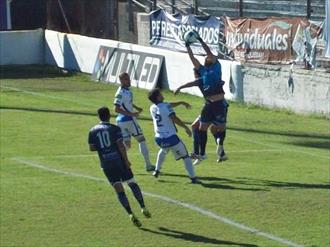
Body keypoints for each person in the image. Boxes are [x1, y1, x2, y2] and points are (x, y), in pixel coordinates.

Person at [88, 106, 151, 227]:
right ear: (109, 116)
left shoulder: (92, 130)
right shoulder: (114, 129)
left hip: (106, 164)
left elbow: (92, 148)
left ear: (99, 117)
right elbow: (121, 146)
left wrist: (103, 148)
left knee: (118, 188)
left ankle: (130, 214)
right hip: (119, 161)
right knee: (132, 183)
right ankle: (143, 207)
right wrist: (126, 160)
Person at [175, 32, 228, 163]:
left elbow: (208, 52)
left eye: (210, 56)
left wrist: (200, 39)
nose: (208, 57)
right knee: (204, 128)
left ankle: (211, 150)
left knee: (213, 128)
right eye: (206, 57)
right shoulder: (203, 71)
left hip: (217, 103)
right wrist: (187, 46)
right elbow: (192, 59)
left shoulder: (217, 66)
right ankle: (209, 150)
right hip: (213, 104)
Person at [148, 88, 200, 184]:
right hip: (171, 137)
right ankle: (193, 178)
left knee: (164, 150)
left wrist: (181, 102)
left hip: (159, 138)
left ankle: (157, 170)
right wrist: (185, 127)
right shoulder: (165, 107)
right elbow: (174, 118)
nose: (162, 95)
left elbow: (168, 104)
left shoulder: (152, 108)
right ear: (158, 97)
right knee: (185, 157)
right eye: (160, 94)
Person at [113, 72, 155, 172]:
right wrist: (132, 114)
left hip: (121, 122)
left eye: (129, 78)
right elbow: (116, 109)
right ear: (122, 81)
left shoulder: (127, 90)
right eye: (126, 79)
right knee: (141, 139)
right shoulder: (120, 93)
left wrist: (135, 107)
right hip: (128, 120)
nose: (129, 80)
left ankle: (117, 161)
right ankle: (148, 165)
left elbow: (126, 103)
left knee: (127, 145)